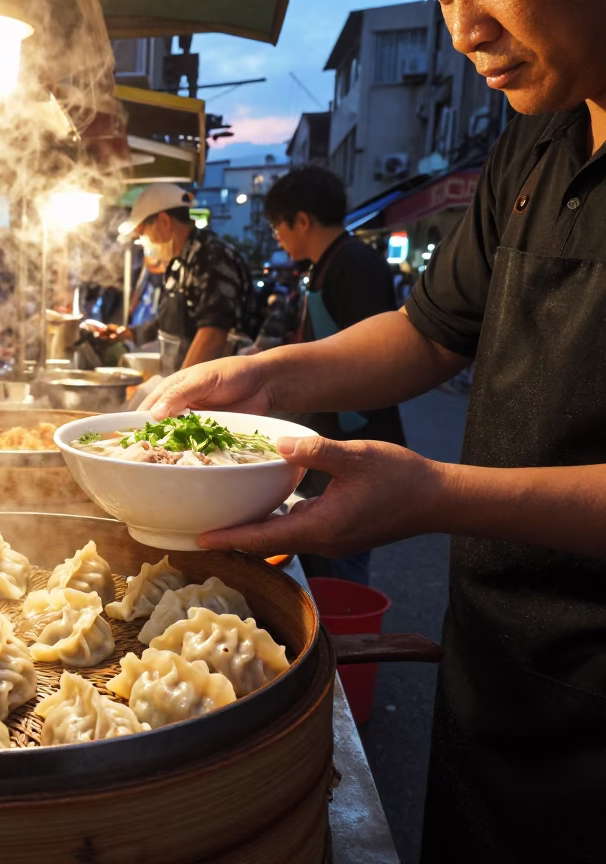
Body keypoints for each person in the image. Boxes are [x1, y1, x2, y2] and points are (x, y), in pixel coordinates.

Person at [143, 1, 606, 859]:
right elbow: (429, 332)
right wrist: (265, 373)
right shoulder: (535, 141)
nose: (465, 32)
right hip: (496, 658)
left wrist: (434, 494)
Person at [260, 165, 407, 584]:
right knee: (320, 551)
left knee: (343, 554)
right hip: (328, 436)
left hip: (357, 439)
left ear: (302, 220)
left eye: (277, 226)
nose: (277, 237)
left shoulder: (355, 265)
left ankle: (340, 639)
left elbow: (377, 361)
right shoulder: (324, 264)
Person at [122, 184, 252, 374]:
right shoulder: (178, 263)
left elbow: (213, 332)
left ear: (164, 222)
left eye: (143, 232)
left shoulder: (211, 257)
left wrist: (178, 389)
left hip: (220, 385)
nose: (142, 240)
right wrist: (127, 334)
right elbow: (169, 324)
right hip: (188, 382)